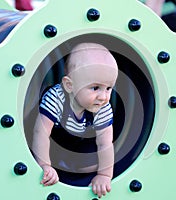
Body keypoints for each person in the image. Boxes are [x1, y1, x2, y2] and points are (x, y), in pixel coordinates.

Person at [32, 43, 118, 198]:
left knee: (90, 162)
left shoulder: (102, 106)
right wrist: (45, 165)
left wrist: (105, 175)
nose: (103, 96)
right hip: (55, 138)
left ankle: (75, 169)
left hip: (79, 139)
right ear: (69, 85)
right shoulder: (56, 98)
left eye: (108, 88)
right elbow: (41, 133)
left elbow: (105, 143)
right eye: (95, 88)